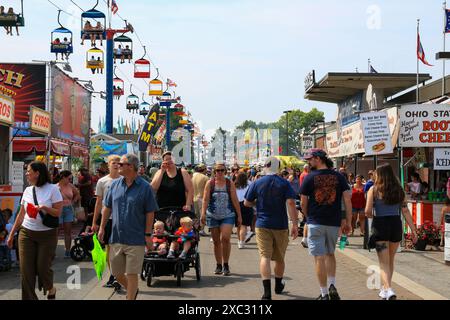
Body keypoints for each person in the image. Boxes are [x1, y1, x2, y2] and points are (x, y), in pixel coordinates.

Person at [99, 154, 158, 300]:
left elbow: (150, 212)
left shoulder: (145, 188)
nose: (118, 165)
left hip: (136, 238)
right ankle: (133, 291)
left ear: (130, 167)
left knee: (132, 274)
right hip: (117, 237)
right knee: (117, 274)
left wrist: (148, 234)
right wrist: (101, 227)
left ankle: (130, 296)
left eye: (121, 164)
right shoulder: (114, 185)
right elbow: (107, 207)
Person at [300, 149, 352, 300]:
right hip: (333, 222)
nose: (309, 162)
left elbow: (303, 202)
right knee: (330, 254)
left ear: (318, 159)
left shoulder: (310, 177)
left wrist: (308, 216)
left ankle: (324, 294)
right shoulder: (338, 177)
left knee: (318, 258)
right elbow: (347, 200)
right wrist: (348, 221)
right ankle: (332, 285)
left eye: (310, 159)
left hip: (316, 221)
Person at [244, 156, 298, 300]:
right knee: (280, 258)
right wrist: (295, 224)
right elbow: (291, 203)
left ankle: (267, 293)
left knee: (265, 257)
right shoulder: (284, 183)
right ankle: (278, 285)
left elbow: (246, 203)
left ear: (265, 166)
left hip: (262, 224)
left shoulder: (257, 182)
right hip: (280, 225)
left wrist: (258, 204)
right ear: (279, 167)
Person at [6, 162, 63, 300]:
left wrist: (44, 207)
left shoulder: (53, 189)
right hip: (26, 233)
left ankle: (51, 288)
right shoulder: (27, 190)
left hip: (47, 235)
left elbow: (57, 213)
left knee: (43, 269)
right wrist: (12, 234)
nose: (26, 173)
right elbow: (21, 215)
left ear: (37, 173)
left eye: (29, 171)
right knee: (26, 272)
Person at [365, 164, 418, 300]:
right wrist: (413, 230)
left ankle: (388, 289)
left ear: (379, 175)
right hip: (395, 225)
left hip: (380, 226)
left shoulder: (373, 189)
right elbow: (405, 211)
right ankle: (384, 289)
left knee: (383, 262)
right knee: (391, 259)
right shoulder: (399, 190)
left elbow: (367, 211)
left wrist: (373, 215)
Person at [201, 163, 242, 276]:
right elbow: (205, 199)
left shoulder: (229, 183)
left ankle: (226, 264)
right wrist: (203, 214)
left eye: (222, 170)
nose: (219, 172)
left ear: (225, 171)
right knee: (216, 241)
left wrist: (239, 215)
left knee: (225, 238)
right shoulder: (210, 183)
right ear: (214, 172)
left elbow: (234, 199)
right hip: (212, 215)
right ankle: (218, 265)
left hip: (228, 215)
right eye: (217, 170)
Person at [92, 155, 121, 289]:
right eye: (113, 163)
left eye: (118, 163)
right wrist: (94, 222)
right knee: (109, 249)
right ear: (108, 165)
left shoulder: (125, 180)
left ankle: (117, 275)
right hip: (107, 219)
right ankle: (114, 275)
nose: (116, 165)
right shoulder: (102, 181)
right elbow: (98, 203)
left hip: (122, 219)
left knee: (119, 248)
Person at [57, 170, 80, 258]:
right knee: (56, 231)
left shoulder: (70, 186)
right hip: (58, 209)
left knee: (68, 231)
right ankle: (52, 251)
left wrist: (73, 201)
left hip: (68, 209)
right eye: (69, 178)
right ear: (63, 177)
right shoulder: (55, 187)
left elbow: (77, 194)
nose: (70, 180)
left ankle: (67, 250)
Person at [235, 172, 253, 249]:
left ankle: (239, 241)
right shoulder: (249, 183)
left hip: (237, 204)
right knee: (244, 225)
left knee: (238, 225)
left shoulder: (235, 184)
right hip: (246, 203)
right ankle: (242, 242)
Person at [192, 164, 210, 236]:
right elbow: (208, 189)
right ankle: (201, 230)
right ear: (204, 169)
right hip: (201, 197)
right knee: (202, 215)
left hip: (193, 197)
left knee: (195, 215)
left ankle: (195, 229)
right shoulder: (205, 177)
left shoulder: (192, 176)